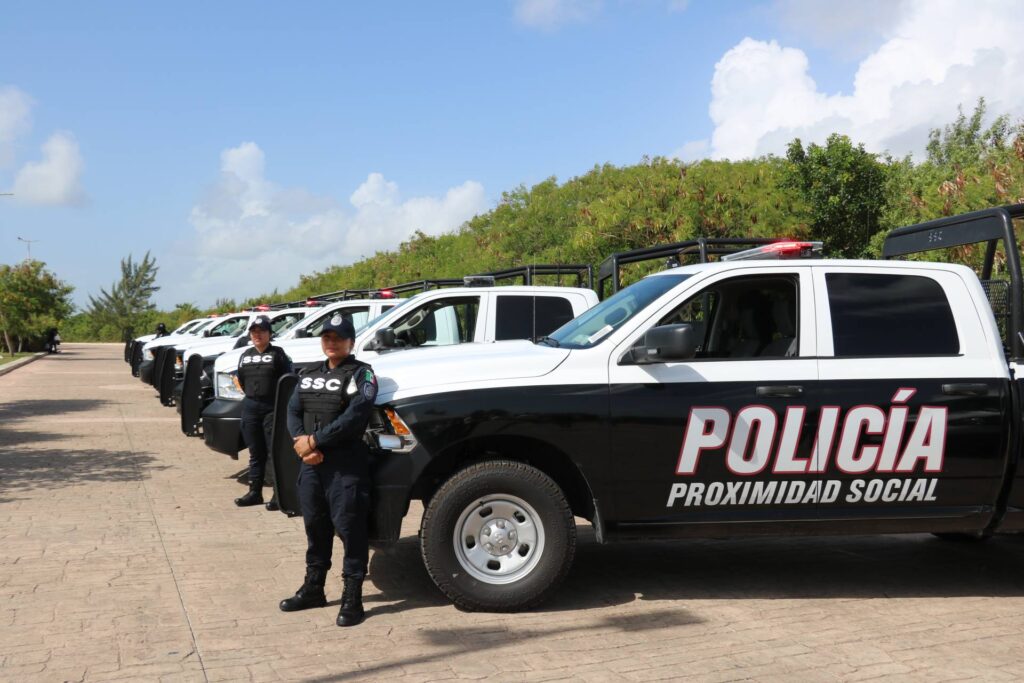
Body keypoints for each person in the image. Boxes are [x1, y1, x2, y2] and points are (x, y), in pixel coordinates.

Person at [280, 314, 377, 627]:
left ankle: (353, 596)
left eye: (338, 337)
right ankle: (314, 588)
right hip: (311, 463)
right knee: (315, 526)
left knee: (350, 528)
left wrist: (315, 440)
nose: (332, 342)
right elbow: (293, 410)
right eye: (327, 337)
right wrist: (302, 443)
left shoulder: (362, 374)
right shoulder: (308, 374)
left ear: (351, 341)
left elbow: (356, 416)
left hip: (345, 465)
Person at [234, 315, 293, 510]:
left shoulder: (279, 354)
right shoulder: (245, 354)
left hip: (272, 409)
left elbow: (288, 381)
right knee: (255, 453)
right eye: (254, 332)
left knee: (273, 452)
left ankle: (279, 494)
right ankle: (254, 492)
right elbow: (241, 380)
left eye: (262, 331)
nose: (257, 335)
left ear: (269, 333)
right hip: (251, 407)